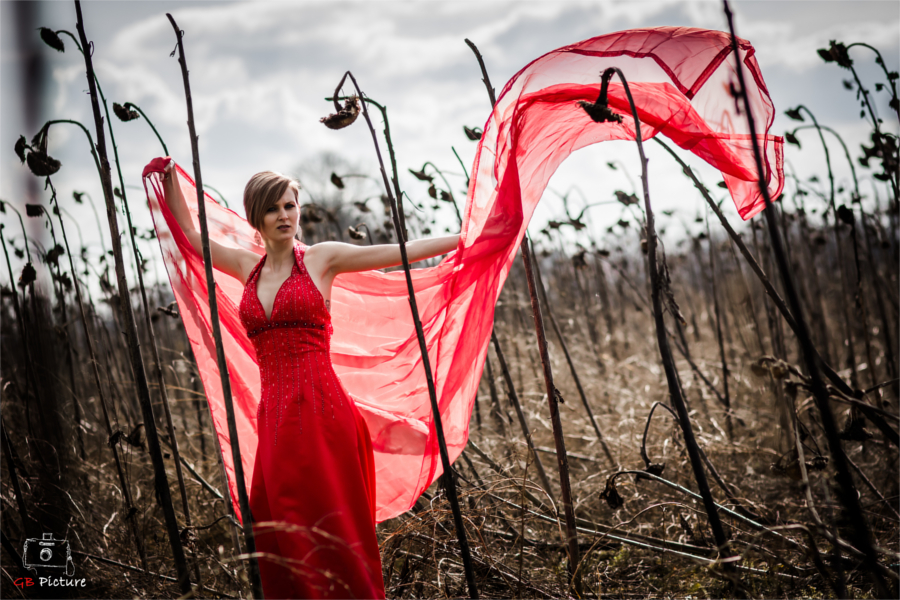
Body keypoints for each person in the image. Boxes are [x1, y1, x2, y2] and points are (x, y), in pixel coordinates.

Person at [161, 159, 458, 599]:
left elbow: (400, 251)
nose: (284, 215)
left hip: (325, 416)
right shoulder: (247, 268)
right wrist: (167, 179)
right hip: (277, 423)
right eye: (272, 209)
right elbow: (190, 238)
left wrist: (470, 237)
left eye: (290, 205)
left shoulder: (321, 259)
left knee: (336, 534)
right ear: (255, 218)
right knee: (281, 531)